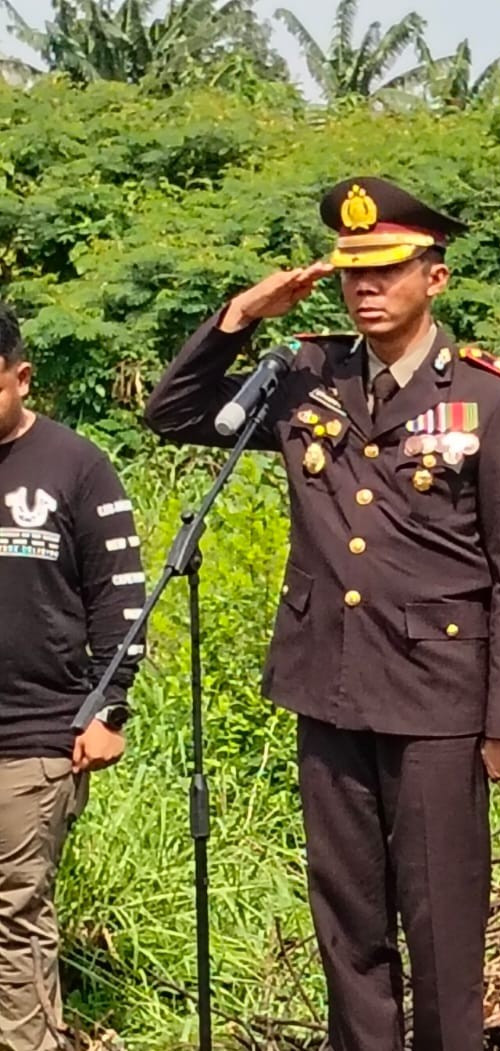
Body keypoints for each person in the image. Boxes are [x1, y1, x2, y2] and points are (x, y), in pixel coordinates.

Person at [143, 177, 500, 1051]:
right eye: (351, 273)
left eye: (388, 270)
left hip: (440, 699)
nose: (365, 288)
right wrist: (241, 316)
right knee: (349, 926)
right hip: (329, 685)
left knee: (441, 932)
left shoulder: (489, 399)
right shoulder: (304, 374)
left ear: (433, 278)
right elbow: (172, 413)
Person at [0, 302, 145, 1051]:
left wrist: (108, 708)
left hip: (33, 733)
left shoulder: (75, 465)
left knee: (14, 908)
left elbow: (122, 600)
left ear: (20, 377)